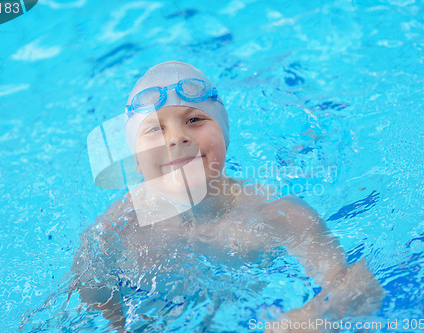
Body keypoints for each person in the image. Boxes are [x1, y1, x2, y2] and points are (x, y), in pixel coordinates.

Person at [72, 61, 384, 332]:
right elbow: (90, 294)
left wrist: (318, 313)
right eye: (154, 129)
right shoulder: (119, 226)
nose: (178, 137)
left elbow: (359, 284)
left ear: (224, 135)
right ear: (138, 162)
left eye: (194, 120)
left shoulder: (277, 215)